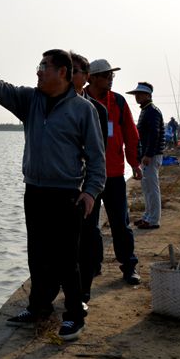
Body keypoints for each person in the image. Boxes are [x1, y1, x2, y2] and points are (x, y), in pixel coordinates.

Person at [0, 49, 105, 342]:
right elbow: (0, 89)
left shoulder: (83, 110)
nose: (38, 71)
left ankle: (74, 316)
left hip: (67, 195)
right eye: (39, 66)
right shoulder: (30, 100)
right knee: (38, 255)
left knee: (67, 260)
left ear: (62, 72)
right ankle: (38, 307)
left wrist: (90, 193)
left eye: (44, 66)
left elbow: (96, 159)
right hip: (35, 191)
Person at [84, 59, 142, 284]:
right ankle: (92, 266)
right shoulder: (79, 99)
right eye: (106, 75)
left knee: (121, 224)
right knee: (89, 226)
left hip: (114, 174)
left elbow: (131, 134)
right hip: (87, 176)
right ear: (92, 78)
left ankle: (129, 266)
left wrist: (134, 163)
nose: (110, 79)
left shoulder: (118, 101)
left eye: (112, 76)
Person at [70, 53, 108, 306]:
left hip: (87, 186)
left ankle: (83, 293)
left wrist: (91, 189)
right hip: (63, 187)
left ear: (85, 77)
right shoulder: (53, 104)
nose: (68, 74)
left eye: (74, 70)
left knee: (88, 236)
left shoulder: (96, 110)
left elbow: (98, 153)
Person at [127, 82, 165, 229]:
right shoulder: (146, 110)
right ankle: (148, 216)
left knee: (152, 188)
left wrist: (148, 154)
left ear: (148, 95)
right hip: (147, 154)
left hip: (151, 155)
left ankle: (153, 219)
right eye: (136, 94)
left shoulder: (152, 111)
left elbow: (154, 134)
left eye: (140, 94)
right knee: (147, 188)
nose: (137, 96)